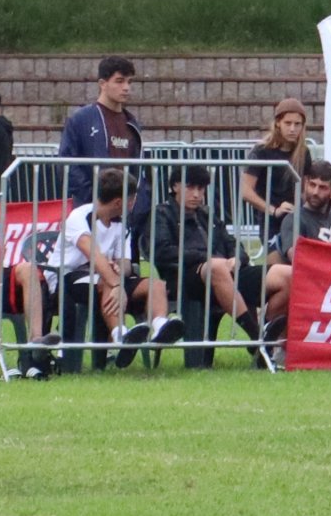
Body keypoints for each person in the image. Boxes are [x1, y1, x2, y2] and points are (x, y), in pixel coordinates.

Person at [51, 167, 184, 372]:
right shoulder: (79, 217)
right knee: (106, 282)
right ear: (119, 203)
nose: (134, 203)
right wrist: (116, 283)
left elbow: (126, 263)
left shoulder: (123, 223)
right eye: (132, 199)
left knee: (155, 285)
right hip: (70, 279)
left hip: (105, 276)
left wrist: (118, 270)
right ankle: (120, 336)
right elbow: (93, 256)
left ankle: (160, 327)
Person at [153, 165, 262, 363]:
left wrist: (237, 258)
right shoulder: (162, 214)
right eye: (190, 187)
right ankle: (257, 338)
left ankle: (277, 342)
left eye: (201, 189)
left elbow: (232, 243)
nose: (196, 194)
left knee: (282, 274)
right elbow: (162, 252)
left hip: (225, 274)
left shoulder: (207, 215)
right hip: (184, 278)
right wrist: (207, 259)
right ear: (175, 186)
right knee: (217, 267)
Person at [258, 161, 331, 367]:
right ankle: (274, 343)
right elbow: (297, 257)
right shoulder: (294, 219)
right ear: (304, 184)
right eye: (311, 185)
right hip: (308, 287)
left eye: (322, 187)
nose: (315, 191)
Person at [58, 56, 150, 248]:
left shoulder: (131, 123)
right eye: (119, 81)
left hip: (126, 213)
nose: (126, 87)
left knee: (125, 269)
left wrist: (137, 201)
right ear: (102, 84)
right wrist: (96, 198)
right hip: (93, 212)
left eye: (129, 82)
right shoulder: (82, 119)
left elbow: (137, 168)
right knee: (92, 270)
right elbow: (68, 163)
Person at [239, 97, 308, 251]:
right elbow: (245, 190)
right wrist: (274, 210)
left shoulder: (304, 152)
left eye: (297, 124)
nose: (292, 129)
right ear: (278, 123)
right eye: (288, 123)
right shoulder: (261, 151)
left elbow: (306, 189)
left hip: (297, 219)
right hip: (270, 222)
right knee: (276, 269)